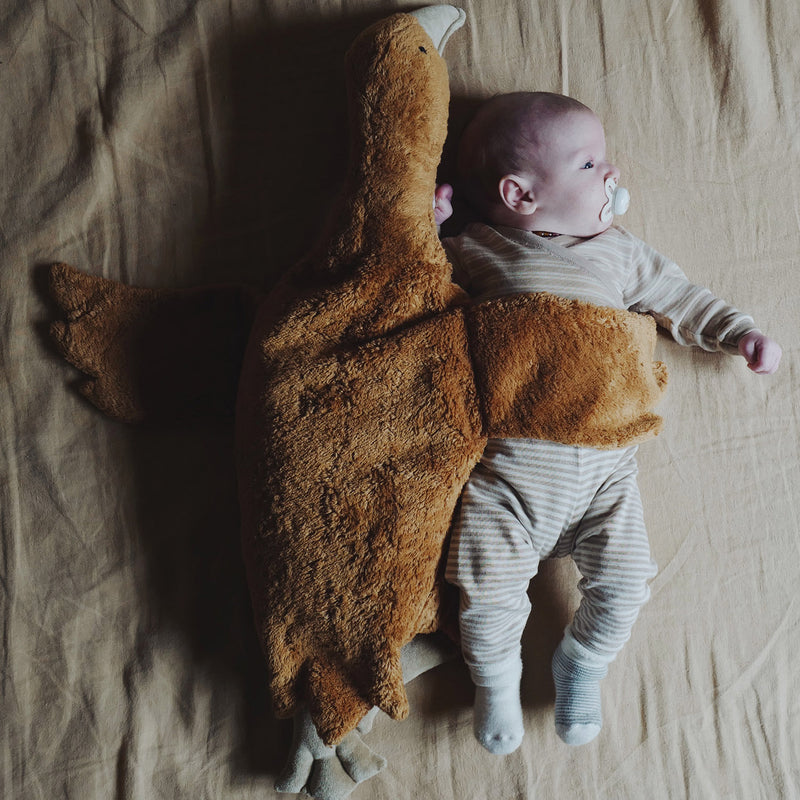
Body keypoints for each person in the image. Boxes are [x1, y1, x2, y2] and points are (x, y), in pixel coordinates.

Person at [433, 91, 781, 754]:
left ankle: (582, 662)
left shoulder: (621, 253)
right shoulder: (481, 248)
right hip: (509, 469)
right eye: (591, 164)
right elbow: (414, 281)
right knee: (482, 584)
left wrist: (739, 334)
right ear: (520, 194)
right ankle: (497, 679)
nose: (613, 174)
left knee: (627, 581)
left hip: (606, 465)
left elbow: (682, 298)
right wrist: (426, 223)